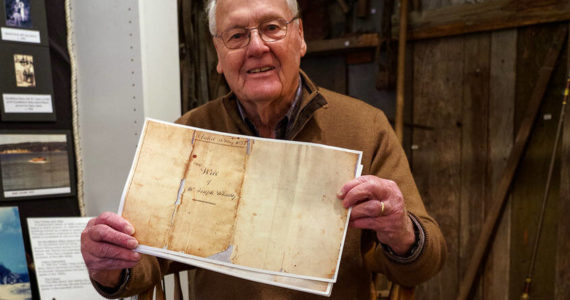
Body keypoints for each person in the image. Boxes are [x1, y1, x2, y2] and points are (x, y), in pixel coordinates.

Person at [81, 0, 447, 299]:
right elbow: (147, 260)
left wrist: (402, 232)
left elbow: (426, 263)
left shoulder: (364, 127)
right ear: (219, 55)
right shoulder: (190, 135)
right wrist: (111, 267)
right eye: (237, 35)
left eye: (273, 28)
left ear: (300, 37)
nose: (257, 47)